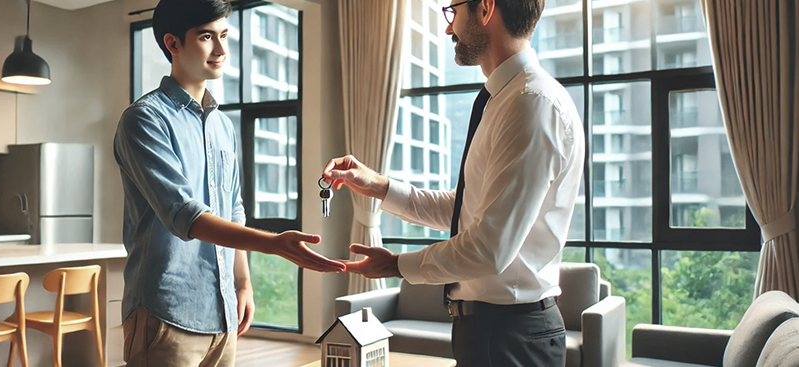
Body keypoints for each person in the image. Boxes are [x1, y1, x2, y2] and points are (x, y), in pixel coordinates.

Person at [323, 0, 585, 365]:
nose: (449, 28)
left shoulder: (531, 103)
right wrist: (379, 186)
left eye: (453, 11)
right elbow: (466, 210)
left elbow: (488, 249)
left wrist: (396, 265)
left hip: (509, 336)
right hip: (489, 329)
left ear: (486, 8)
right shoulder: (507, 99)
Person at [113, 0, 345, 366]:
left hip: (222, 311)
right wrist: (274, 244)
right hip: (166, 311)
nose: (221, 50)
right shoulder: (144, 120)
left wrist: (243, 282)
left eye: (224, 35)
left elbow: (233, 209)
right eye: (207, 37)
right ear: (173, 44)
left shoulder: (222, 124)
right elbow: (187, 216)